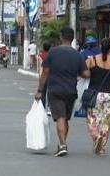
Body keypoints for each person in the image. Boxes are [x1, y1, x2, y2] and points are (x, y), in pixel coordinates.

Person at [35, 27, 90, 157]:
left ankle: (63, 144)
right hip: (71, 91)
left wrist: (39, 90)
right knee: (65, 119)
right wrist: (78, 73)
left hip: (55, 90)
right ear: (72, 39)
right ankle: (62, 143)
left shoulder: (53, 53)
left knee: (60, 118)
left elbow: (45, 73)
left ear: (61, 37)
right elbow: (86, 73)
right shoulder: (77, 54)